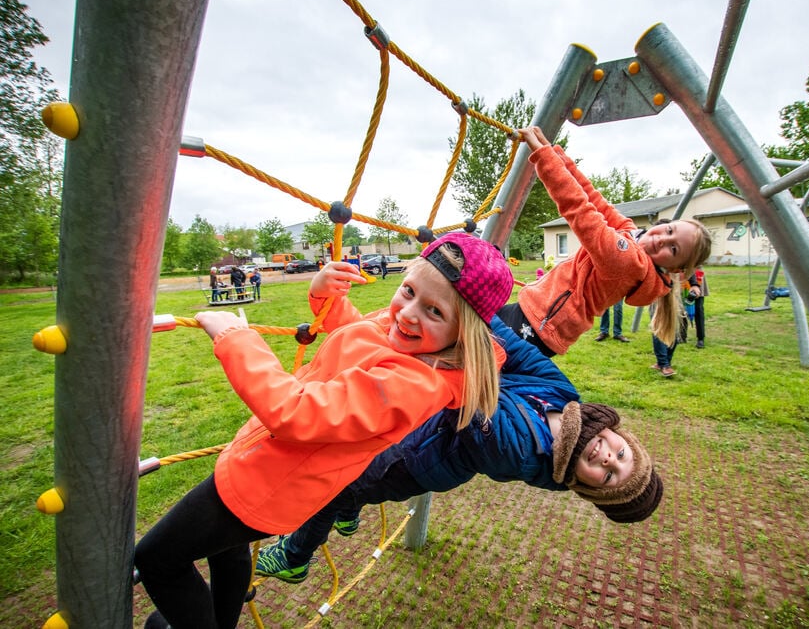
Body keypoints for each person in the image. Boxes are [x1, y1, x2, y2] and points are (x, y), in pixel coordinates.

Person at [135, 233, 514, 629]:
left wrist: (234, 337)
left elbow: (296, 412)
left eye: (434, 311)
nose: (407, 313)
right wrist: (324, 295)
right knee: (227, 552)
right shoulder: (409, 341)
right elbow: (356, 334)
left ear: (462, 332)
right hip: (265, 471)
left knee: (157, 558)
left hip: (267, 485)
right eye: (408, 290)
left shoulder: (416, 384)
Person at [254, 317, 663, 584]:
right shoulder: (564, 396)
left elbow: (471, 389)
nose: (609, 459)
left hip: (415, 461)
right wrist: (477, 308)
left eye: (609, 476)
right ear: (621, 437)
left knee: (342, 483)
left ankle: (295, 556)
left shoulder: (519, 453)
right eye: (622, 455)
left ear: (587, 487)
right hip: (424, 427)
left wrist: (457, 318)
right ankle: (347, 516)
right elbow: (516, 351)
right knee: (354, 486)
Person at [497, 126, 711, 357]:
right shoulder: (631, 235)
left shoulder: (630, 262)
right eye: (669, 230)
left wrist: (544, 157)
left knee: (469, 348)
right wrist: (554, 153)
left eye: (674, 248)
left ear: (676, 269)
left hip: (540, 325)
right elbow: (592, 197)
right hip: (539, 318)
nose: (662, 239)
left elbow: (580, 209)